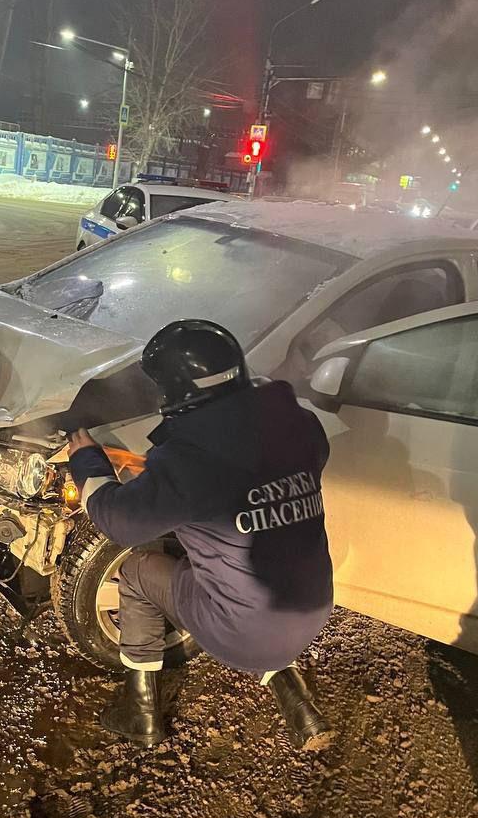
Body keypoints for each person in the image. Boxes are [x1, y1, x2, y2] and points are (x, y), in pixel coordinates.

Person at [67, 319, 334, 750]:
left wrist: (88, 465)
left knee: (137, 571)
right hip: (314, 608)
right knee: (235, 565)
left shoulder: (191, 461)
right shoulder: (300, 425)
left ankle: (141, 714)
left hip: (244, 632)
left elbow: (117, 521)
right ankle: (295, 698)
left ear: (176, 392)